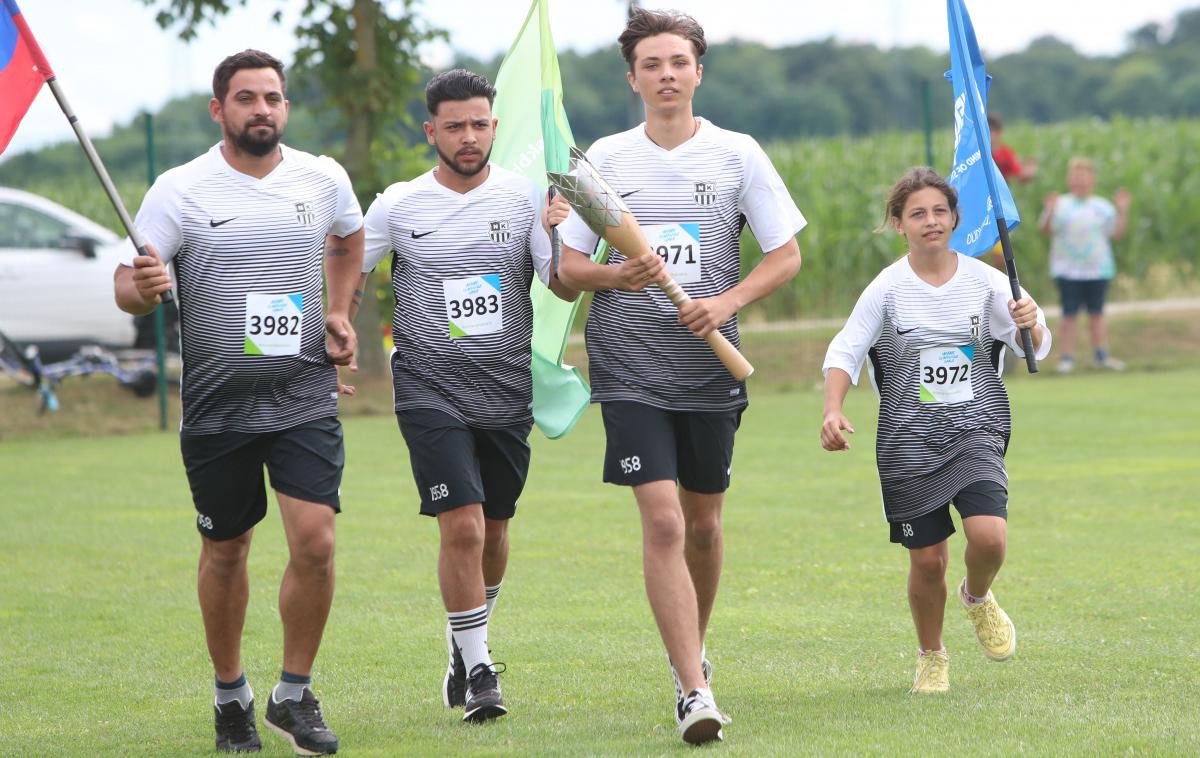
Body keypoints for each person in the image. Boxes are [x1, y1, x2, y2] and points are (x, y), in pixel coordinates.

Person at [557, 8, 805, 745]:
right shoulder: (604, 159)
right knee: (662, 518)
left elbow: (784, 254)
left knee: (703, 524)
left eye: (678, 62)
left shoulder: (738, 154)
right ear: (632, 78)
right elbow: (567, 272)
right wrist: (619, 275)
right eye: (652, 65)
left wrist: (724, 303)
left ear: (698, 71)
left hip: (709, 370)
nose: (666, 75)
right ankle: (693, 689)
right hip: (628, 368)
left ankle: (690, 646)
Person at [114, 49, 363, 755]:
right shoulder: (179, 189)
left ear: (286, 107)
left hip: (304, 395)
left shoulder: (323, 179)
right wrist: (145, 284)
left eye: (274, 98)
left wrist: (340, 311)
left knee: (315, 541)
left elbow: (348, 237)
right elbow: (124, 285)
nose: (263, 110)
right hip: (218, 408)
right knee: (227, 550)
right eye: (247, 98)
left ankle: (293, 694)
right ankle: (231, 697)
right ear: (219, 109)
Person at [354, 69, 577, 724]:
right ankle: (481, 671)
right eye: (455, 125)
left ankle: (463, 642)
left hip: (507, 389)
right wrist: (336, 327)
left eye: (480, 123)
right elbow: (350, 267)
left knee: (497, 530)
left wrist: (560, 230)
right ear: (432, 132)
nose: (469, 136)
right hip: (428, 387)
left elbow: (562, 286)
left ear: (495, 127)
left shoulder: (525, 199)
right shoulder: (398, 203)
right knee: (463, 523)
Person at [820, 167, 1051, 695]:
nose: (931, 222)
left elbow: (1035, 348)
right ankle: (931, 656)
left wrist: (1030, 319)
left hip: (977, 430)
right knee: (928, 561)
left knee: (989, 538)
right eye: (917, 213)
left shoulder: (989, 282)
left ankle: (976, 596)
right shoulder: (886, 288)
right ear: (899, 224)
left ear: (955, 219)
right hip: (908, 441)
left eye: (939, 212)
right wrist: (833, 408)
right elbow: (845, 351)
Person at [1039, 157, 1131, 373]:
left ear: (1092, 180)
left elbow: (1117, 234)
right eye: (1075, 178)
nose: (1079, 182)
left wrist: (1123, 211)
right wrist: (1050, 211)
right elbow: (1045, 229)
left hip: (1098, 269)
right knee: (1068, 315)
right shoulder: (1060, 204)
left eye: (1083, 178)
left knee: (1097, 314)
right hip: (1067, 270)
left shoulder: (1103, 207)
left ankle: (1101, 356)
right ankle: (1066, 358)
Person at [985, 114, 1037, 272]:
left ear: (999, 133)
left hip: (998, 208)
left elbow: (1020, 176)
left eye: (992, 131)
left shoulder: (1005, 154)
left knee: (1000, 256)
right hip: (979, 207)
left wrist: (1029, 172)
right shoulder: (976, 154)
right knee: (975, 254)